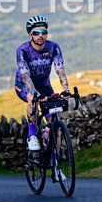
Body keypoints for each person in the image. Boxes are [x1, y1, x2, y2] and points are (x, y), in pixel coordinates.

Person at [14, 15, 70, 151]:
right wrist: (35, 94)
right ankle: (32, 135)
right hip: (23, 85)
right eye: (36, 33)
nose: (41, 36)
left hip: (44, 85)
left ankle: (56, 165)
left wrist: (66, 89)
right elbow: (25, 75)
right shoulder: (23, 50)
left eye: (44, 32)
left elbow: (60, 69)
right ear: (30, 35)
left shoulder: (53, 47)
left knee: (55, 123)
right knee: (33, 100)